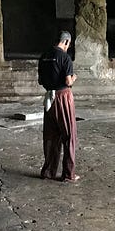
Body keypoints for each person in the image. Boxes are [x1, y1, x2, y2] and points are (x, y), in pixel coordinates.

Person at [37, 31, 78, 182]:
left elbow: (41, 80)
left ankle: (48, 171)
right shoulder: (64, 57)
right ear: (66, 42)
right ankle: (68, 174)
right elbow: (68, 82)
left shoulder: (44, 56)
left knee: (51, 136)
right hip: (63, 97)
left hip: (49, 97)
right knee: (69, 135)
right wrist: (74, 77)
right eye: (69, 44)